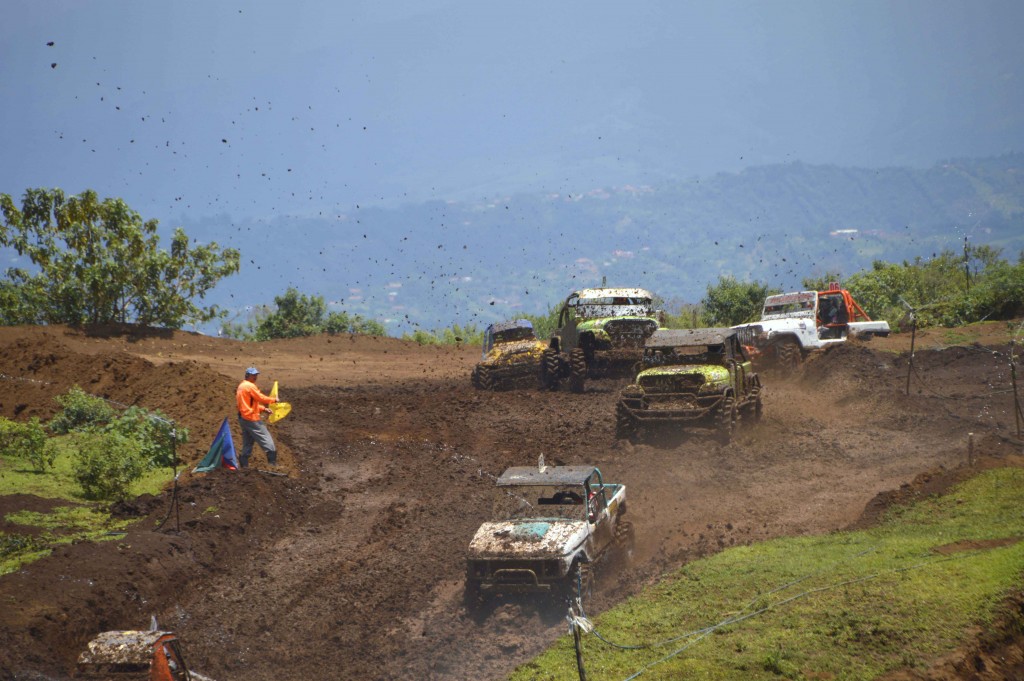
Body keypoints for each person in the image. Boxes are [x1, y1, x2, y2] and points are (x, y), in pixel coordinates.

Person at [235, 366, 278, 468]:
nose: (255, 377)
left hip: (243, 418)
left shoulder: (241, 386)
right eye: (253, 375)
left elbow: (248, 404)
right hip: (251, 419)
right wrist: (273, 400)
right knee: (267, 439)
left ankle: (244, 465)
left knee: (248, 442)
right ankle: (272, 464)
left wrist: (263, 409)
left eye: (256, 375)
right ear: (247, 375)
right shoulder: (250, 386)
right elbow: (260, 397)